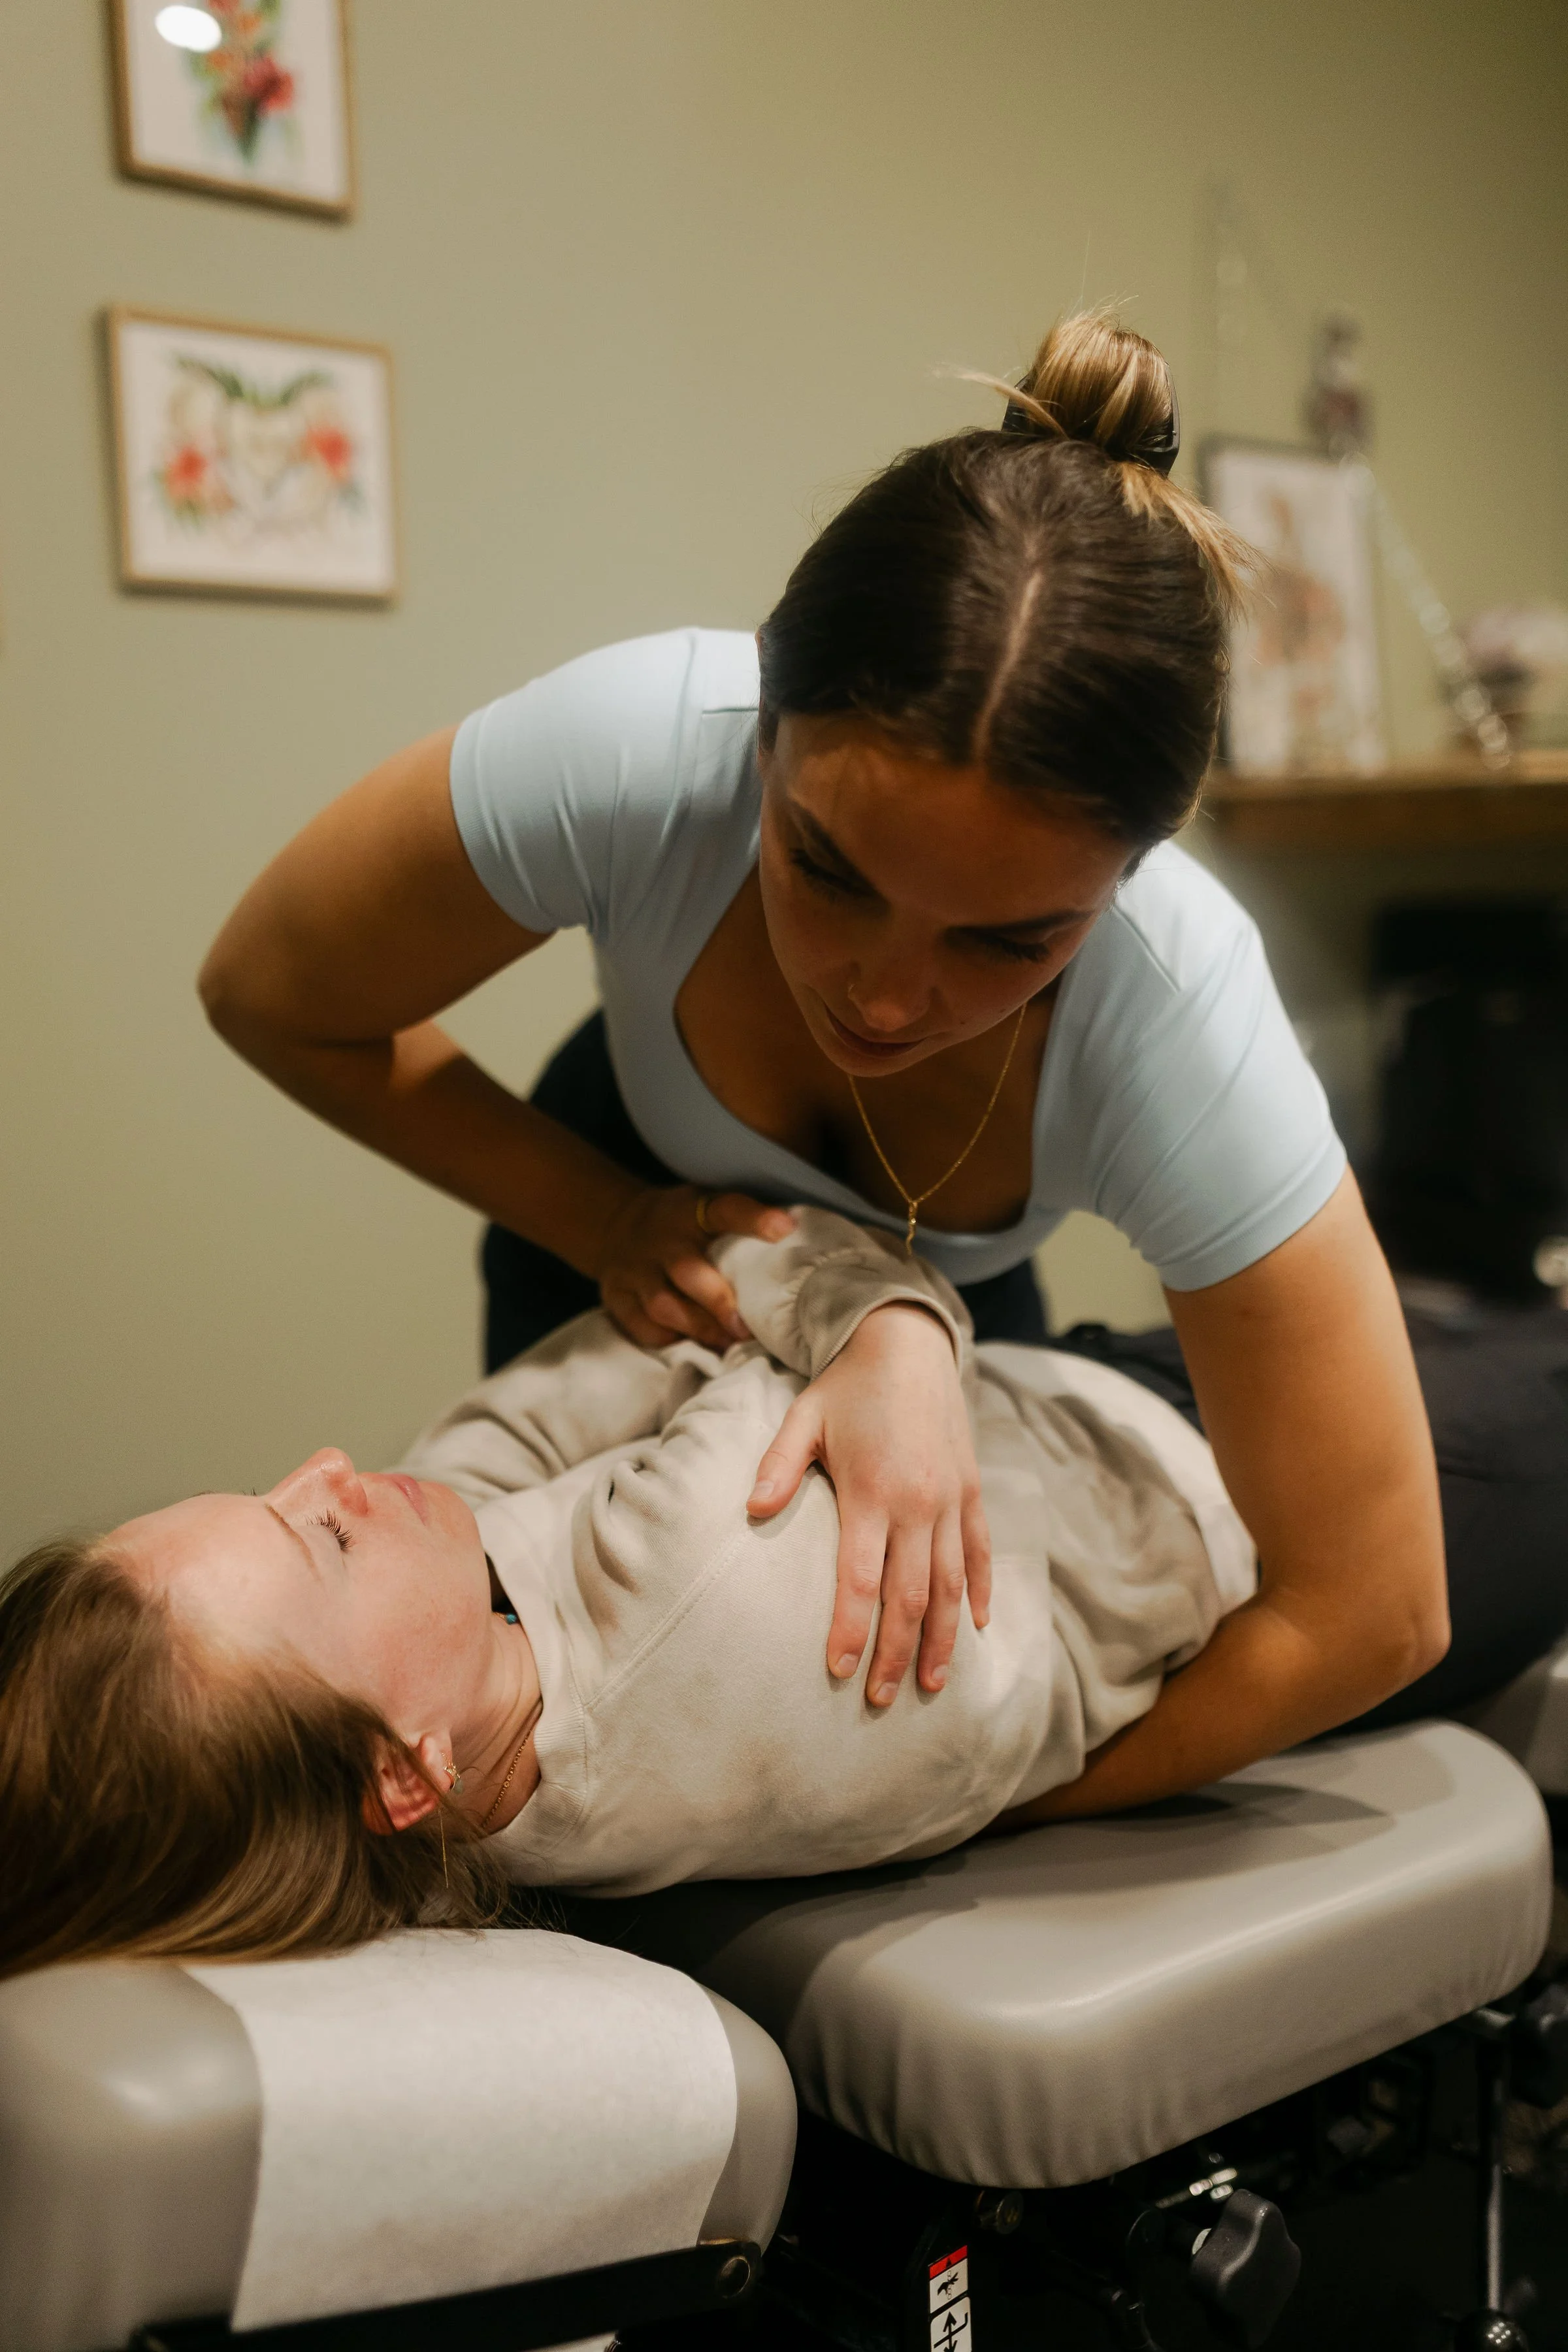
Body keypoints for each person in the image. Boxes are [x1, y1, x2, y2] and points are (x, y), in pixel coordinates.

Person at [195, 306, 1559, 1816]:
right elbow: (272, 991)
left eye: (1006, 942)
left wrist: (977, 1811)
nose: (890, 1002)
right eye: (827, 870)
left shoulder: (1178, 1013)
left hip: (959, 1280)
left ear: (1121, 886)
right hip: (635, 1218)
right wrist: (599, 1219)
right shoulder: (647, 751)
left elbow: (1375, 1606)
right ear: (758, 739)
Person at [0, 1212, 1257, 1978]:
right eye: (323, 1540)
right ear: (401, 1772)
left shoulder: (442, 1777)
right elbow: (776, 1265)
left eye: (280, 1493)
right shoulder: (715, 1572)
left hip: (1070, 1407)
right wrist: (886, 1330)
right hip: (1183, 1472)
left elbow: (619, 1360)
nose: (333, 1470)